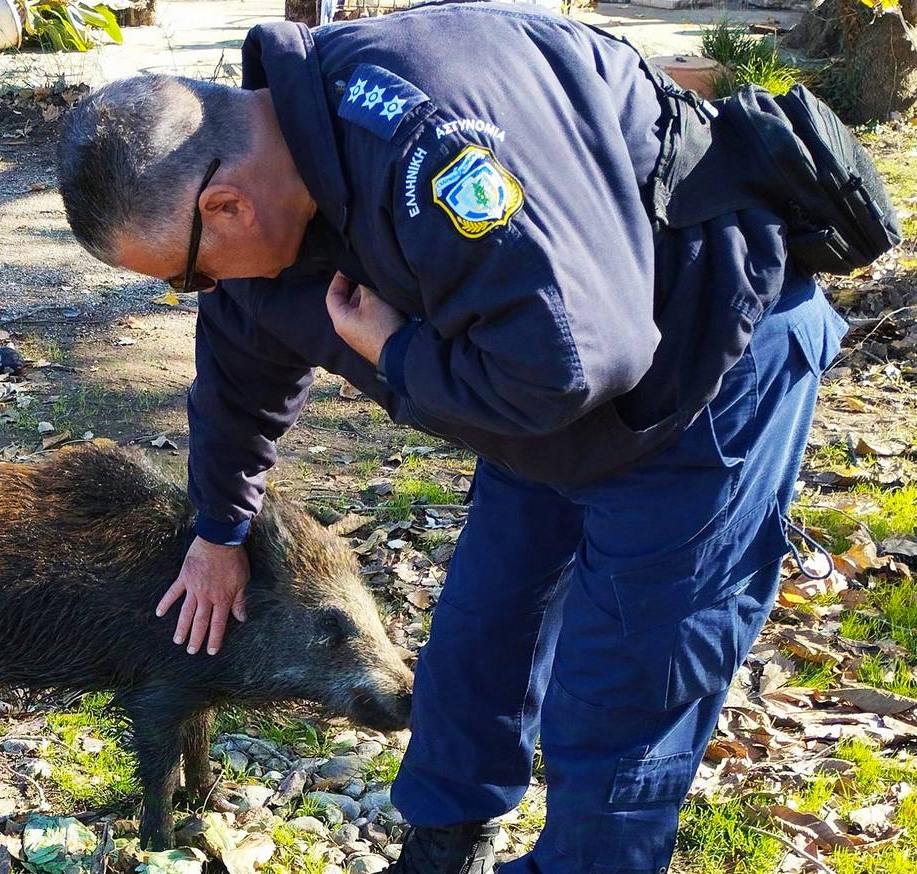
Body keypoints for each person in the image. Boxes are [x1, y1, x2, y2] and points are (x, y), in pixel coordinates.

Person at [55, 3, 848, 871]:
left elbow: (574, 364)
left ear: (227, 203)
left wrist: (396, 351)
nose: (201, 290)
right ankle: (445, 842)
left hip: (699, 369)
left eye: (190, 274)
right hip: (529, 411)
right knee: (481, 629)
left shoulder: (429, 147)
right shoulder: (275, 200)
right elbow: (238, 380)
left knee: (625, 680)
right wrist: (219, 528)